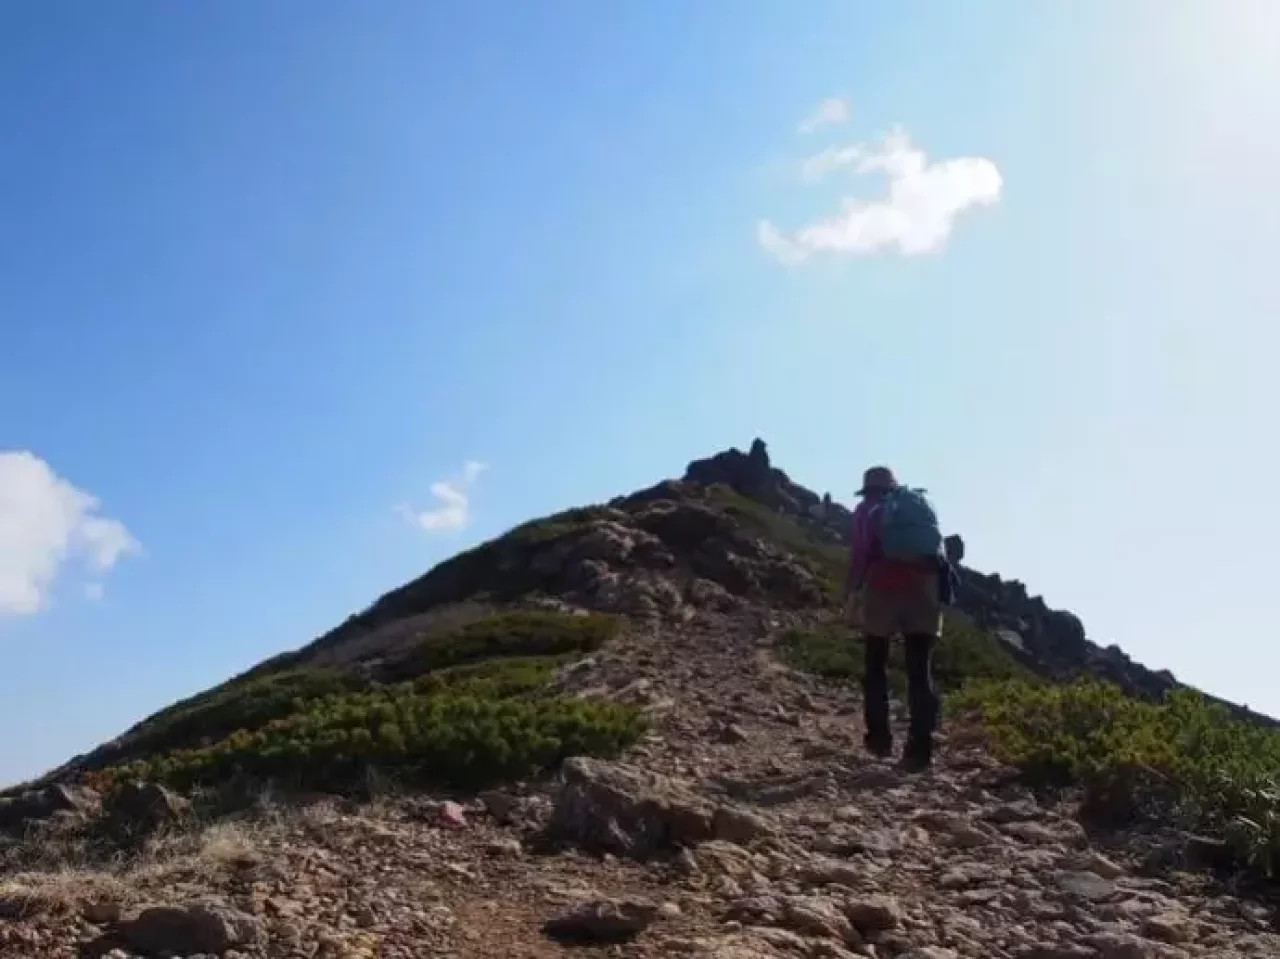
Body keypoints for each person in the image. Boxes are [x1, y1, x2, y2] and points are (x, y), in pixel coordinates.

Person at [845, 466, 943, 770]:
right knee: (919, 670)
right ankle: (920, 750)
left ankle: (879, 740)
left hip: (882, 587)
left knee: (875, 664)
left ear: (867, 489)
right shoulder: (918, 505)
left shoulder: (866, 511)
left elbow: (861, 553)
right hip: (924, 588)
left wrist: (851, 591)